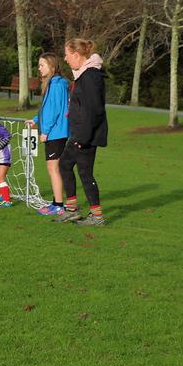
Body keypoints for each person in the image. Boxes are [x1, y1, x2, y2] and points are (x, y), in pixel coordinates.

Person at [56, 38, 109, 227]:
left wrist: (83, 138)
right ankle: (74, 209)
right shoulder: (83, 75)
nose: (65, 58)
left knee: (84, 172)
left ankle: (95, 215)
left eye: (67, 55)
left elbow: (94, 110)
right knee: (66, 165)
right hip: (80, 133)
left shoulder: (90, 77)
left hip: (85, 135)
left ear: (77, 55)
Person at [28, 52, 70, 216]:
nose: (39, 68)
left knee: (53, 168)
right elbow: (46, 108)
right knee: (53, 167)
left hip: (56, 132)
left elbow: (54, 111)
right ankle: (56, 202)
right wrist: (35, 120)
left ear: (52, 66)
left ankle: (59, 205)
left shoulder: (57, 84)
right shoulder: (53, 83)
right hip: (54, 131)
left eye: (42, 65)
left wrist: (45, 131)